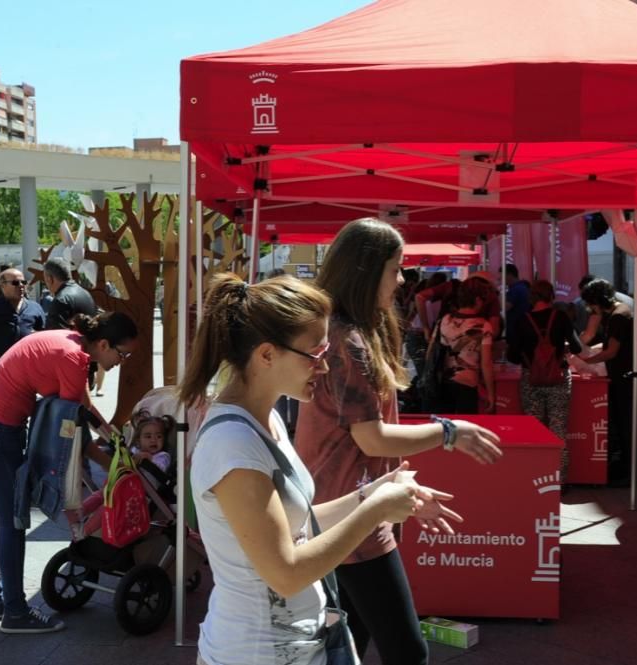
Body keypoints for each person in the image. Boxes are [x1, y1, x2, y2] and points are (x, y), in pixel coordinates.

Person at [182, 272, 446, 665]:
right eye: (316, 354)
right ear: (267, 355)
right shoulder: (233, 446)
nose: (324, 368)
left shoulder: (264, 421)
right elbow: (285, 573)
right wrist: (374, 510)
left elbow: (296, 526)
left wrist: (369, 493)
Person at [295, 218, 503, 665]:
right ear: (368, 271)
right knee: (406, 650)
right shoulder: (347, 340)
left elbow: (367, 434)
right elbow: (372, 438)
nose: (403, 279)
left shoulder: (346, 333)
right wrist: (450, 431)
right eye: (396, 268)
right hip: (353, 514)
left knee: (349, 641)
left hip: (346, 507)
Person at [0, 311, 137, 634]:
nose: (121, 362)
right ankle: (15, 612)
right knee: (12, 522)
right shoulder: (73, 357)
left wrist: (109, 432)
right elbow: (71, 431)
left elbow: (81, 408)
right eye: (121, 354)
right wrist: (110, 463)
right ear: (103, 343)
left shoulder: (69, 344)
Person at [508, 280, 582, 480]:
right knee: (558, 428)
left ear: (532, 298)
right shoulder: (561, 318)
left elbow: (512, 356)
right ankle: (560, 478)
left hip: (530, 378)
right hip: (558, 378)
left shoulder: (521, 321)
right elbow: (577, 347)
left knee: (533, 428)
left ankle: (536, 476)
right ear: (551, 296)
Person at [579, 278, 635, 485]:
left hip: (623, 374)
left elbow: (611, 351)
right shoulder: (620, 311)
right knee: (623, 422)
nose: (591, 309)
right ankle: (628, 467)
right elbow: (610, 344)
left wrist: (586, 361)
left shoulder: (618, 316)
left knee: (624, 423)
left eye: (591, 304)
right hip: (622, 372)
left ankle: (628, 471)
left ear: (597, 301)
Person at [432, 275, 497, 413]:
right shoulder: (483, 326)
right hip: (468, 385)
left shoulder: (445, 320)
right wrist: (491, 393)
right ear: (478, 300)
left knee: (446, 429)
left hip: (443, 384)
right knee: (465, 429)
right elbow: (486, 363)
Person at [43, 257, 98, 330]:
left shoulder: (60, 301)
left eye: (45, 280)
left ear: (50, 279)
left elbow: (55, 337)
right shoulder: (85, 293)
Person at [501, 263, 530, 347]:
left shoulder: (516, 289)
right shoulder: (523, 287)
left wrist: (498, 294)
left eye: (502, 276)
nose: (501, 279)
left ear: (509, 275)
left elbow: (505, 307)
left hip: (516, 329)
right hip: (522, 328)